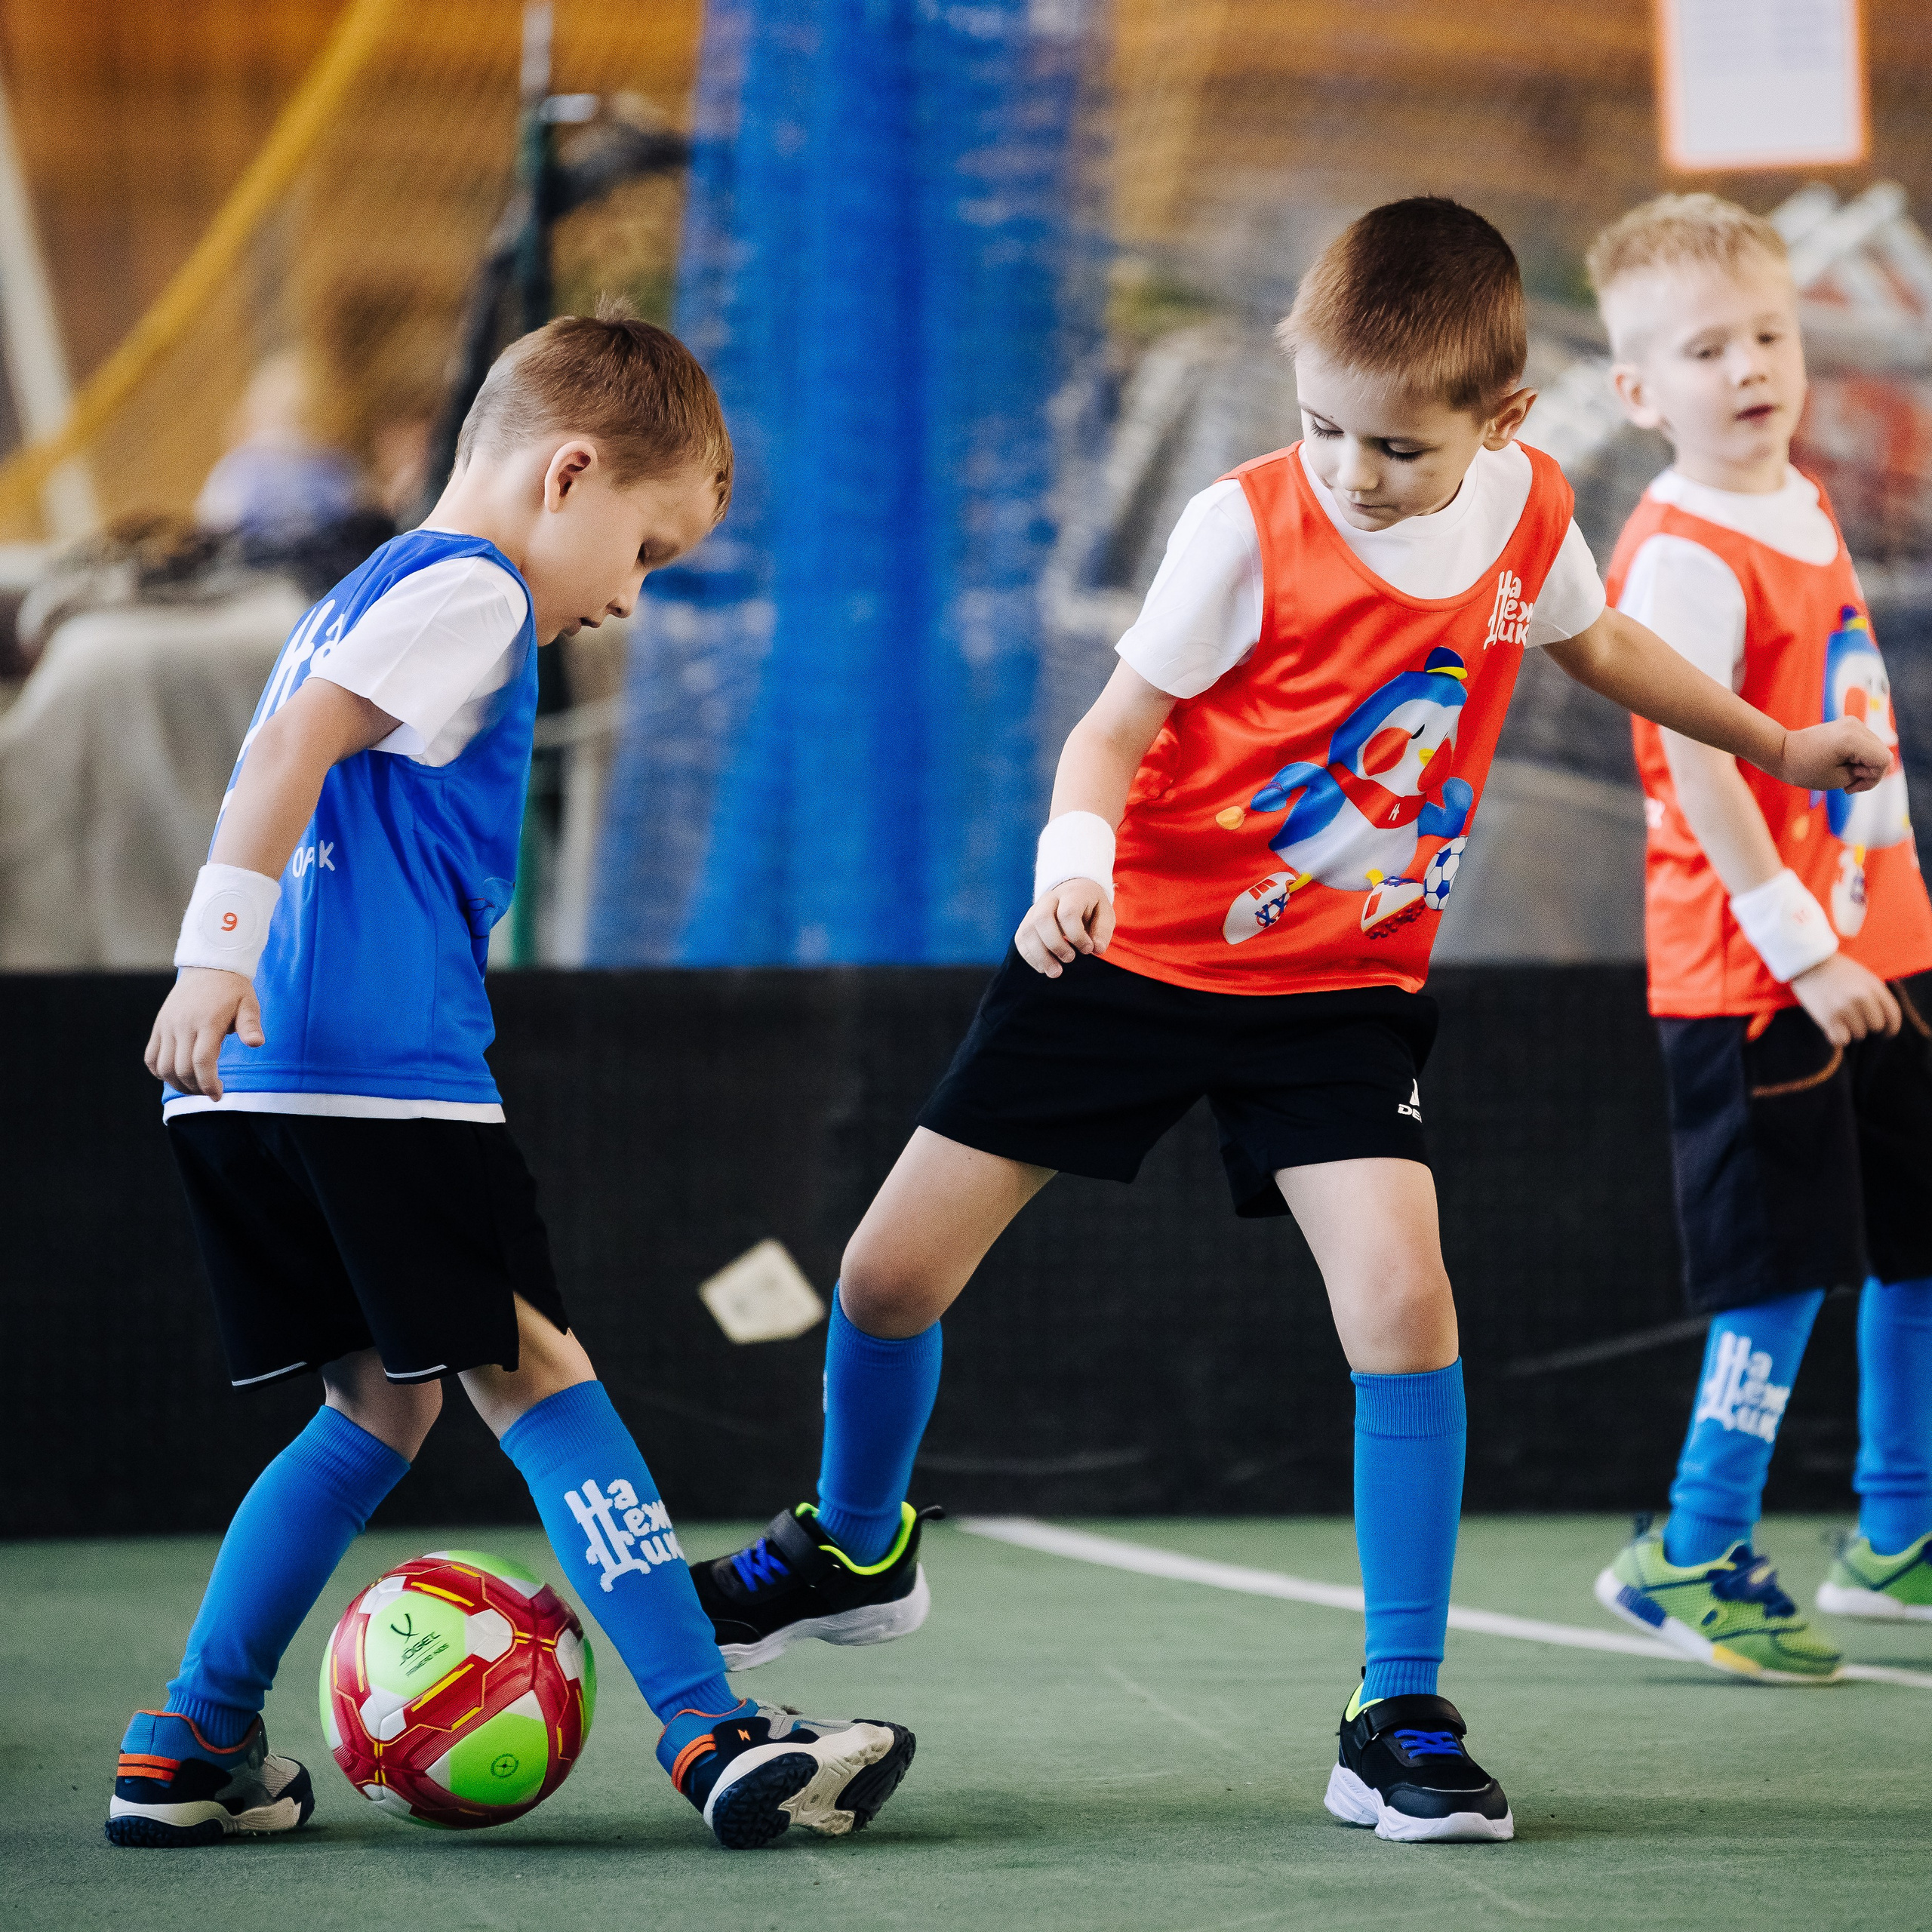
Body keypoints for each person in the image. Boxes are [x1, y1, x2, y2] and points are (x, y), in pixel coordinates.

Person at [686, 198, 1890, 1844]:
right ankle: (851, 1537)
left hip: (1335, 997)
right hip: (1121, 957)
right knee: (890, 1275)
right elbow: (1107, 736)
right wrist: (1072, 867)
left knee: (1404, 1301)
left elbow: (1599, 643)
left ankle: (1395, 1705)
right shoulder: (1243, 527)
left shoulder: (1532, 514)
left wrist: (1773, 739)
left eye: (1395, 444)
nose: (1349, 466)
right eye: (1319, 423)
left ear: (1506, 422)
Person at [109, 306, 915, 1853]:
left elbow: (298, 755)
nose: (629, 595)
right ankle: (711, 1728)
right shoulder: (473, 588)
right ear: (569, 472)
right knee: (538, 1371)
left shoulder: (370, 589)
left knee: (376, 1402)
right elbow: (283, 755)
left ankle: (192, 1738)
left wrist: (225, 980)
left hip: (249, 1081)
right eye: (646, 550)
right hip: (372, 1071)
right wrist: (215, 951)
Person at [1586, 195, 1932, 1677]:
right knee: (1775, 1265)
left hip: (1879, 943)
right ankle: (1688, 1543)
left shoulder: (1794, 497)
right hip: (1763, 972)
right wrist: (1802, 949)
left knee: (1915, 1242)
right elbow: (1703, 771)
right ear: (1634, 389)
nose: (1748, 367)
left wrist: (1878, 921)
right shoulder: (1673, 551)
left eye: (1768, 334)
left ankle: (1896, 1530)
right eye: (1704, 347)